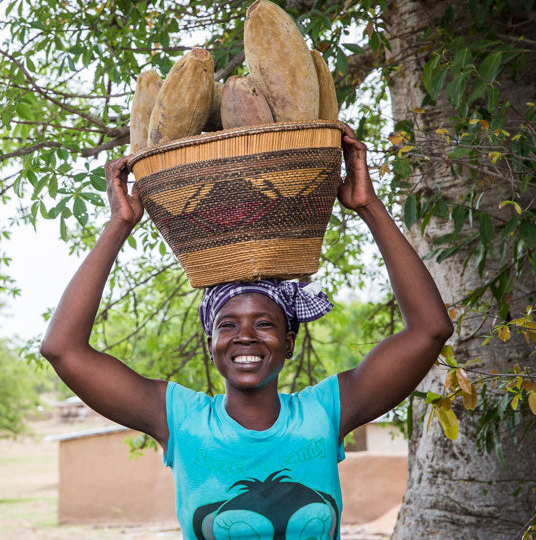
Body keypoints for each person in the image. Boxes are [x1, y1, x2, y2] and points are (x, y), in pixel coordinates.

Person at [40, 125, 454, 539]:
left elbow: (430, 331)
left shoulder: (325, 412)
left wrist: (368, 205)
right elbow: (62, 349)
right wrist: (119, 224)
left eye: (264, 323)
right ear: (211, 343)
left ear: (289, 342)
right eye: (228, 325)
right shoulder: (180, 421)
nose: (246, 336)